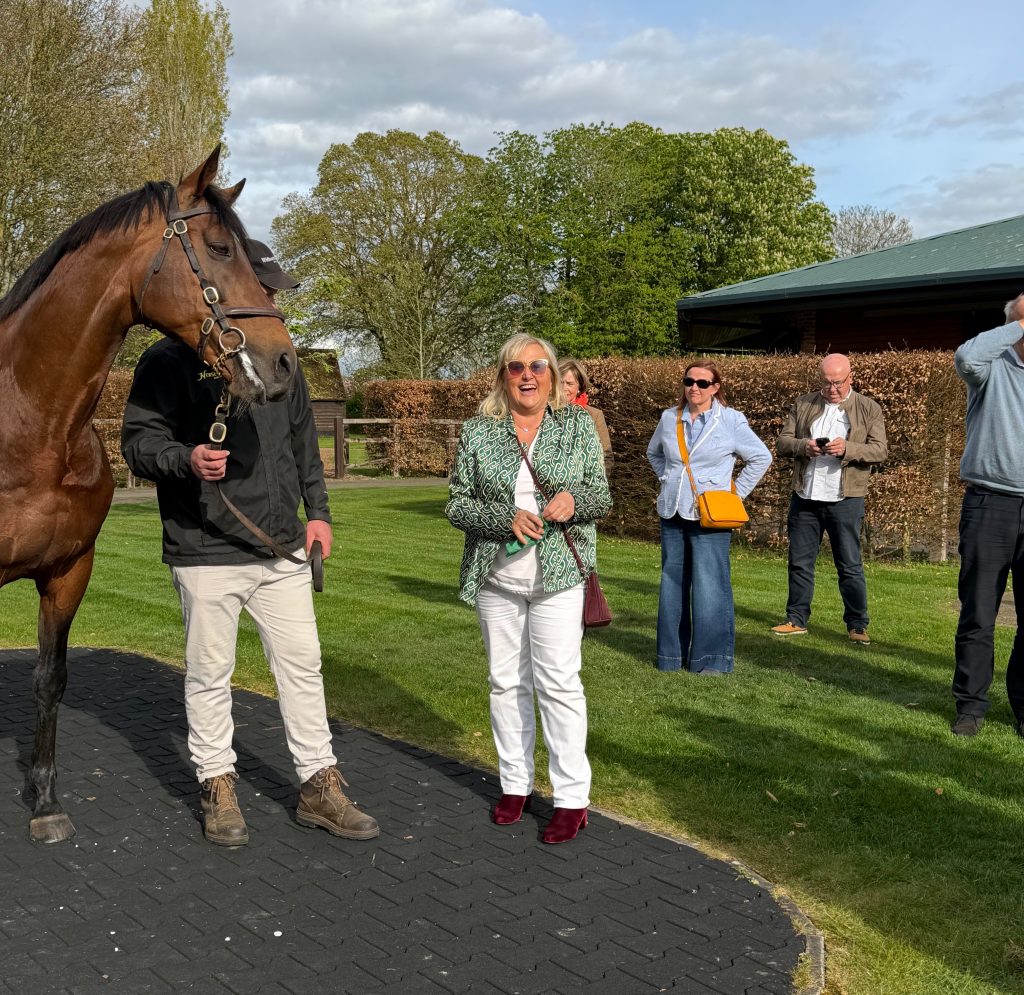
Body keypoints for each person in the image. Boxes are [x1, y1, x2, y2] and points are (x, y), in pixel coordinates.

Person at [121, 238, 379, 846]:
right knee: (210, 674)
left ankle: (319, 786)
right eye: (264, 290)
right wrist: (186, 459)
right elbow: (138, 444)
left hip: (282, 547)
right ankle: (217, 784)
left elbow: (304, 445)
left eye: (273, 294)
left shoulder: (280, 356)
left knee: (303, 667)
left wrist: (319, 514)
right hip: (205, 549)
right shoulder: (166, 361)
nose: (271, 301)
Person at [446, 333, 612, 844]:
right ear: (503, 375)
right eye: (516, 367)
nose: (527, 376)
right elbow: (457, 503)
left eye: (537, 366)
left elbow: (600, 495)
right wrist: (505, 518)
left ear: (552, 374)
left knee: (559, 683)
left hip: (558, 578)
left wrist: (573, 501)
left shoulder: (576, 425)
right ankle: (514, 784)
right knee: (505, 683)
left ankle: (571, 798)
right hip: (497, 579)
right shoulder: (479, 430)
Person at [646, 361, 771, 673]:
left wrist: (734, 494)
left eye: (703, 383)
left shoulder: (730, 420)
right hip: (672, 511)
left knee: (710, 587)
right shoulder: (669, 418)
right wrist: (668, 479)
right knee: (672, 584)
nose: (694, 388)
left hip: (711, 515)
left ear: (715, 388)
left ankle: (710, 661)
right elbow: (654, 453)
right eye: (689, 381)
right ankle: (670, 658)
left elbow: (761, 457)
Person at [772, 353, 887, 644]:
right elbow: (782, 442)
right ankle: (796, 619)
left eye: (837, 382)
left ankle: (857, 625)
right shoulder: (804, 403)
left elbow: (880, 450)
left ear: (850, 378)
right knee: (799, 562)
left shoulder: (868, 407)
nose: (832, 389)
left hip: (846, 498)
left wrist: (848, 449)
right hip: (805, 495)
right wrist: (804, 446)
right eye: (826, 383)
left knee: (849, 565)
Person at [950, 294, 1024, 737]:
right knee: (979, 613)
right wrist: (1019, 323)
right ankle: (971, 707)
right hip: (989, 503)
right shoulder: (990, 369)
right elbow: (965, 356)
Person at [560, 358, 612, 461]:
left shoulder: (594, 415)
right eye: (560, 382)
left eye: (569, 384)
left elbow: (606, 456)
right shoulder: (544, 412)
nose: (563, 388)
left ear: (579, 386)